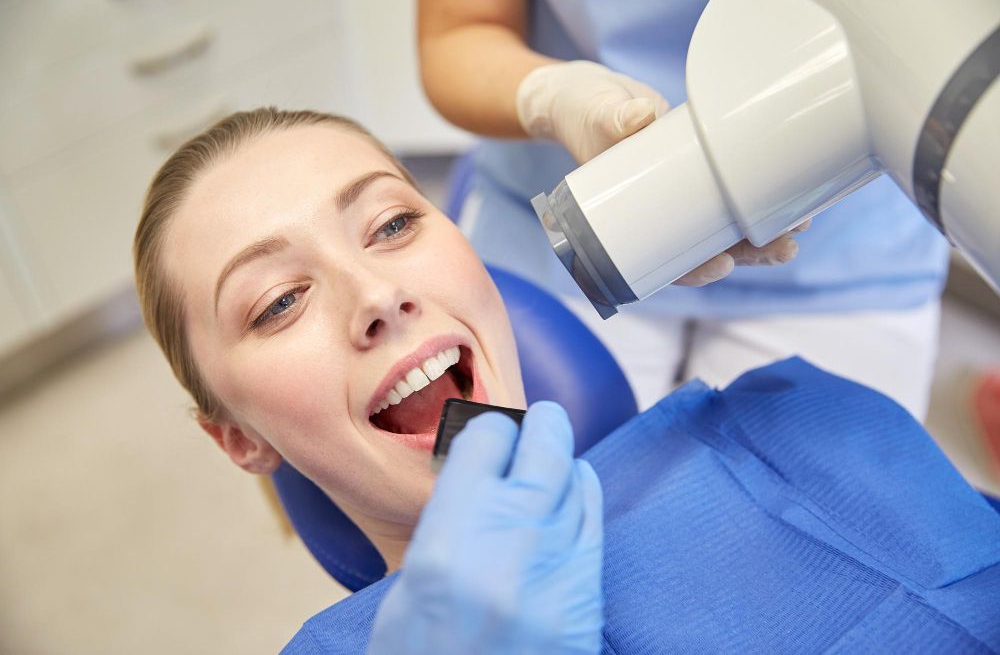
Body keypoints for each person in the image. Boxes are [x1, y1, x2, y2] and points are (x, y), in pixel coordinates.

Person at [133, 108, 998, 654]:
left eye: (393, 222)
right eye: (279, 302)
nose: (378, 296)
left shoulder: (791, 424)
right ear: (237, 435)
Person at [416, 0, 950, 418]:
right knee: (514, 496)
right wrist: (555, 98)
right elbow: (459, 29)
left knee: (820, 535)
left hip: (851, 246)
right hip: (573, 218)